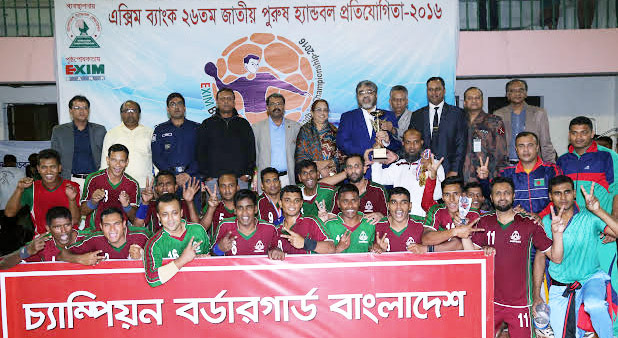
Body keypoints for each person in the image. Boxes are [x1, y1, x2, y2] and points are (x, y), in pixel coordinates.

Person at [463, 176, 565, 338]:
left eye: (506, 193)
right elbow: (471, 256)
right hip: (491, 301)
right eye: (498, 193)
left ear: (513, 196)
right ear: (491, 197)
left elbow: (556, 257)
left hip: (521, 303)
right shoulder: (484, 222)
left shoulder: (529, 224)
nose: (502, 197)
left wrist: (557, 234)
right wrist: (464, 236)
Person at [534, 176, 618, 338]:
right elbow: (540, 258)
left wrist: (598, 210)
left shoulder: (589, 217)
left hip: (590, 279)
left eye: (567, 192)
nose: (563, 197)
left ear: (574, 193)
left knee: (595, 305)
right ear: (550, 196)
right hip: (560, 287)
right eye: (557, 193)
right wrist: (537, 294)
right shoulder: (545, 222)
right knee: (561, 335)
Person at [479, 131, 562, 217]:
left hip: (549, 223)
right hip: (517, 225)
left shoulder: (552, 170)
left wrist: (541, 216)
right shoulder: (506, 173)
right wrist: (484, 179)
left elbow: (561, 197)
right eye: (521, 146)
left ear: (537, 147)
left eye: (530, 145)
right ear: (516, 150)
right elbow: (493, 197)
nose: (525, 150)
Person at [204, 54, 309, 122]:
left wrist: (300, 92)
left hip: (264, 115)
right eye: (252, 64)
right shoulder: (241, 81)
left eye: (257, 64)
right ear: (245, 65)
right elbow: (224, 88)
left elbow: (282, 84)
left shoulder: (264, 77)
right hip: (248, 116)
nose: (255, 66)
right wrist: (215, 76)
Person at [368, 129, 445, 217]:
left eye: (416, 142)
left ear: (422, 142)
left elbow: (438, 195)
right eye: (408, 142)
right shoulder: (398, 165)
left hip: (425, 219)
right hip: (402, 220)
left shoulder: (434, 164)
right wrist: (378, 151)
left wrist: (432, 176)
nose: (412, 146)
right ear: (403, 143)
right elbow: (378, 180)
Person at [4, 149, 81, 235]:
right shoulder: (31, 189)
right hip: (43, 240)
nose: (48, 171)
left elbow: (75, 220)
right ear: (38, 169)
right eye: (44, 167)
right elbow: (9, 213)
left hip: (70, 238)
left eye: (53, 167)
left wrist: (72, 200)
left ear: (59, 168)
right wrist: (19, 189)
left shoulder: (72, 187)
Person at [144, 193, 210, 287]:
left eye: (175, 213)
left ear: (181, 213)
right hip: (172, 294)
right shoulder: (154, 243)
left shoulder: (198, 230)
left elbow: (209, 256)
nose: (171, 219)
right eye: (165, 214)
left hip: (199, 287)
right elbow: (152, 278)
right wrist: (183, 259)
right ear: (158, 217)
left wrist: (204, 259)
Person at [196, 88, 255, 192]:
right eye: (222, 99)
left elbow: (251, 150)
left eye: (229, 99)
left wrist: (247, 174)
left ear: (233, 102)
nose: (226, 101)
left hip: (240, 179)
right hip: (214, 180)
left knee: (240, 207)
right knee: (215, 207)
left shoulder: (243, 124)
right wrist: (207, 177)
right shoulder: (207, 124)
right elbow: (200, 152)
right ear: (217, 102)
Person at [557, 116, 618, 216]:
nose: (578, 137)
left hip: (601, 223)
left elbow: (616, 189)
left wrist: (614, 219)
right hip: (572, 222)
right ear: (569, 135)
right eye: (574, 133)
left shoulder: (609, 156)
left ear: (592, 134)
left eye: (584, 133)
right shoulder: (562, 160)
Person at [408, 77, 467, 176]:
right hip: (424, 170)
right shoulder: (417, 115)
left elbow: (461, 144)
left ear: (444, 91)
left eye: (437, 89)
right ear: (426, 92)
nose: (434, 93)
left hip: (449, 171)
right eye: (430, 89)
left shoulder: (457, 114)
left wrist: (455, 170)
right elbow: (412, 143)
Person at [51, 95, 106, 191]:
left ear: (88, 110)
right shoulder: (59, 131)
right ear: (70, 111)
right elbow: (54, 157)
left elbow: (106, 156)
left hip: (94, 181)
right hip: (69, 180)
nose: (82, 111)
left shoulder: (99, 130)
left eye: (85, 108)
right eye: (77, 108)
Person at [494, 79, 556, 164]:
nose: (517, 94)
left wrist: (551, 165)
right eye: (513, 91)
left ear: (526, 94)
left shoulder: (539, 113)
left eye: (521, 90)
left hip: (533, 165)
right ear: (507, 95)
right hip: (507, 166)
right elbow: (496, 143)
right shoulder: (498, 115)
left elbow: (546, 143)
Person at [62, 207, 151, 265]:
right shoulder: (95, 239)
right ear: (101, 227)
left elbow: (164, 250)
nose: (112, 229)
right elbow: (62, 254)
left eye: (116, 224)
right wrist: (80, 259)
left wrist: (144, 256)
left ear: (124, 224)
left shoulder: (142, 235)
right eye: (107, 225)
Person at [337, 80, 401, 160]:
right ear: (357, 97)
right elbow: (342, 143)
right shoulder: (347, 117)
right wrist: (368, 153)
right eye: (361, 93)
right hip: (360, 168)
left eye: (369, 92)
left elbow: (399, 145)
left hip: (385, 168)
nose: (365, 95)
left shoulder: (389, 115)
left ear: (376, 95)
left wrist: (387, 142)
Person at [81, 144, 139, 231]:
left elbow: (135, 220)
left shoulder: (132, 184)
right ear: (107, 160)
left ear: (127, 162)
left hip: (119, 234)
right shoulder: (93, 179)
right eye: (113, 160)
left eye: (122, 161)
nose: (118, 165)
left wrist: (126, 206)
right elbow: (82, 212)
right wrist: (93, 201)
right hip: (94, 231)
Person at [212, 189, 284, 259]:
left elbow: (276, 249)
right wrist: (219, 249)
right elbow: (211, 254)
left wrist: (277, 251)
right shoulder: (225, 226)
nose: (244, 212)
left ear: (255, 209)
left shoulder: (269, 229)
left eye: (248, 207)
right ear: (235, 210)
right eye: (240, 208)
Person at [100, 100, 153, 187]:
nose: (130, 113)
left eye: (133, 110)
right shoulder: (112, 133)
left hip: (144, 186)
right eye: (126, 111)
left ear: (139, 114)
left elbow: (156, 161)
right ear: (121, 114)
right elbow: (104, 163)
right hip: (118, 186)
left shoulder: (149, 133)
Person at [152, 93, 200, 188]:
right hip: (168, 181)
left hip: (192, 178)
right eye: (172, 104)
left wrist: (188, 174)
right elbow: (157, 156)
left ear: (185, 107)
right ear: (168, 109)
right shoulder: (160, 130)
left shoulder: (197, 128)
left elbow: (202, 154)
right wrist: (173, 175)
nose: (176, 107)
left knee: (193, 203)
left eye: (179, 103)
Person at [422, 176, 482, 251]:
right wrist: (454, 231)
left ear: (463, 195)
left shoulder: (474, 214)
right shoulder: (436, 210)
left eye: (455, 194)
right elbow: (426, 239)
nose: (451, 199)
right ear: (443, 197)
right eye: (447, 195)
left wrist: (429, 248)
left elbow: (468, 248)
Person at [253, 93, 301, 189]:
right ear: (267, 107)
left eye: (279, 103)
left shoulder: (295, 127)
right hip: (266, 180)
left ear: (284, 107)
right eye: (273, 104)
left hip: (288, 178)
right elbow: (253, 154)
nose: (276, 106)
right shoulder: (256, 128)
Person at [462, 87, 508, 182]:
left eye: (477, 98)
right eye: (470, 98)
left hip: (487, 178)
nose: (474, 100)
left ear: (482, 101)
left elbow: (501, 153)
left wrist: (494, 175)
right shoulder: (458, 122)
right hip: (462, 179)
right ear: (464, 102)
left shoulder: (495, 122)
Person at [134, 171, 200, 233]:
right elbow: (137, 226)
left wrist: (189, 202)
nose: (164, 187)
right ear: (156, 188)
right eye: (161, 184)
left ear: (176, 187)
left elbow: (197, 227)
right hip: (158, 243)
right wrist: (145, 203)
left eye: (168, 184)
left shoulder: (183, 203)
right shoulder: (151, 204)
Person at [277, 185, 335, 254]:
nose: (292, 204)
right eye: (287, 200)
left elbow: (331, 248)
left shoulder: (311, 221)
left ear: (301, 203)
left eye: (296, 201)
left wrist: (305, 243)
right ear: (280, 203)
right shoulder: (276, 229)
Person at [331, 154, 388, 223]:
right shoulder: (339, 192)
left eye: (356, 166)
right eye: (349, 167)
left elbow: (389, 217)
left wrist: (381, 216)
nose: (353, 171)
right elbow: (333, 219)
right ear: (345, 171)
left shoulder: (378, 190)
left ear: (364, 169)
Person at [322, 184, 376, 253]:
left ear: (359, 202)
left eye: (353, 201)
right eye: (345, 201)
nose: (350, 205)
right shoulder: (329, 225)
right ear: (338, 203)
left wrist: (375, 248)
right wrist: (338, 249)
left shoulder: (370, 223)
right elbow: (322, 256)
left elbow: (372, 247)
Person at [295, 99, 342, 178]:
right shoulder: (305, 131)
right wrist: (317, 168)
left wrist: (329, 162)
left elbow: (342, 155)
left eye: (325, 110)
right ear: (312, 113)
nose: (322, 113)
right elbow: (300, 155)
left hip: (332, 175)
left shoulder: (334, 131)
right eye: (319, 110)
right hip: (310, 175)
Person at [372, 187, 427, 253]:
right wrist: (377, 249)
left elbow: (440, 243)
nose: (399, 207)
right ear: (388, 206)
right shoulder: (378, 225)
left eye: (403, 202)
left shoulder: (423, 224)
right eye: (394, 202)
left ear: (410, 206)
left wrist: (426, 248)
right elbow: (368, 248)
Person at [24, 206, 89, 262]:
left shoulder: (88, 238)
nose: (63, 231)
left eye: (67, 225)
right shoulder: (42, 243)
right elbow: (17, 259)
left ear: (72, 223)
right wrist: (27, 251)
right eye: (57, 227)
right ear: (48, 228)